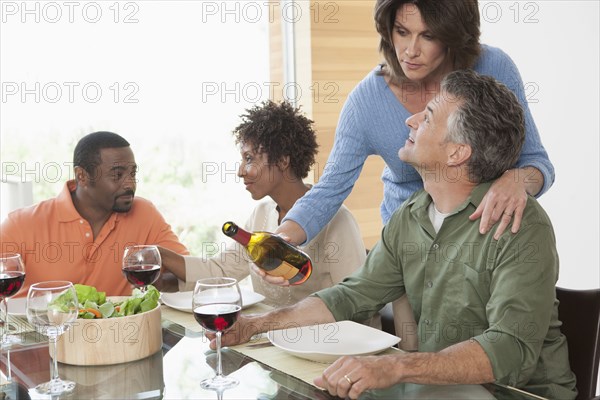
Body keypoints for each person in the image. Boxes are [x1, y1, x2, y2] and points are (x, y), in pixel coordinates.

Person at [212, 71, 577, 399]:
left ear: (457, 152)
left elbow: (509, 348)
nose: (411, 119)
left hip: (513, 393)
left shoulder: (521, 224)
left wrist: (398, 366)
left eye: (428, 116)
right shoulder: (411, 215)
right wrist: (253, 327)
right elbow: (351, 295)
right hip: (440, 386)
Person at [276, 0, 554, 250]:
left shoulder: (494, 66)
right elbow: (329, 189)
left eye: (428, 36)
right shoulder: (367, 102)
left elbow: (536, 162)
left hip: (484, 240)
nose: (410, 51)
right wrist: (279, 240)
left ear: (452, 36)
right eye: (402, 31)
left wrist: (515, 181)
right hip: (409, 248)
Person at [158, 100, 367, 307]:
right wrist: (162, 256)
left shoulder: (337, 219)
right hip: (269, 335)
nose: (240, 171)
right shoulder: (262, 214)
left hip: (328, 337)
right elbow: (220, 270)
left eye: (249, 158)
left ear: (283, 161)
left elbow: (358, 301)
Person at [0, 131, 189, 297]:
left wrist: (154, 281)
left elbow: (189, 273)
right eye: (117, 175)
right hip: (41, 335)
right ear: (82, 176)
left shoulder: (144, 214)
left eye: (132, 173)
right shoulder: (20, 225)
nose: (130, 184)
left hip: (118, 335)